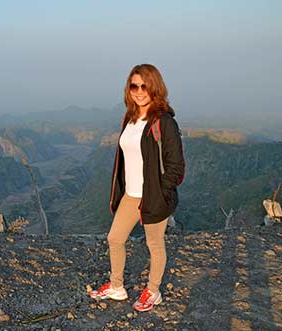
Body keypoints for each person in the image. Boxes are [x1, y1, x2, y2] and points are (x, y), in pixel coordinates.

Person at [89, 64, 185, 312]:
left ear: (155, 87)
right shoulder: (130, 118)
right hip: (130, 195)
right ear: (128, 89)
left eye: (145, 86)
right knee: (115, 238)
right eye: (134, 85)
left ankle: (153, 291)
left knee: (154, 244)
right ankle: (117, 287)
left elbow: (176, 166)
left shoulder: (164, 122)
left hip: (153, 196)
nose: (139, 91)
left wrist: (161, 192)